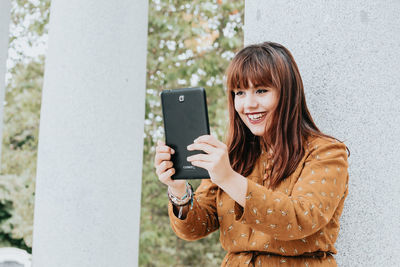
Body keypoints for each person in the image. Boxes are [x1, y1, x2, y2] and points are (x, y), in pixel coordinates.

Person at [154, 41, 349, 267]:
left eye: (261, 90)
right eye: (240, 93)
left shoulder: (326, 152)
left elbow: (300, 219)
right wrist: (177, 188)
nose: (249, 104)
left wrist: (228, 178)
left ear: (287, 93)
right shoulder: (234, 154)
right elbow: (195, 228)